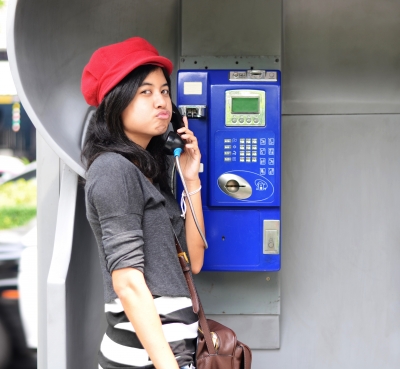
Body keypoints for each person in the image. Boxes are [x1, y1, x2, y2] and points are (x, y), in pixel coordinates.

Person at [80, 37, 205, 369]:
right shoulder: (112, 170)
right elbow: (129, 284)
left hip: (169, 354)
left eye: (164, 91)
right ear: (116, 102)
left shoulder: (146, 171)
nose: (161, 101)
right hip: (145, 359)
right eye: (145, 92)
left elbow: (194, 261)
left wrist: (191, 178)